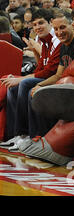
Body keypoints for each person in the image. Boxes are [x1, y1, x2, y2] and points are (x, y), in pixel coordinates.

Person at [0, 8, 61, 150]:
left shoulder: (56, 39)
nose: (37, 27)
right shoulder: (43, 40)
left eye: (41, 23)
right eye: (34, 25)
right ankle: (17, 135)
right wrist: (35, 51)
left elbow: (50, 71)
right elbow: (41, 68)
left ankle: (30, 135)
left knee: (25, 84)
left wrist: (22, 79)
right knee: (13, 86)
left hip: (56, 79)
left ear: (50, 23)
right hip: (48, 76)